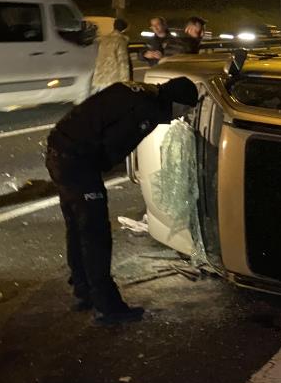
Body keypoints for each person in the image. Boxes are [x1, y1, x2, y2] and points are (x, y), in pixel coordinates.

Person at [45, 76, 199, 324]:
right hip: (78, 161)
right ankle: (107, 306)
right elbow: (114, 148)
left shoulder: (137, 90)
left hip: (59, 149)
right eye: (183, 110)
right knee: (95, 233)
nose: (180, 117)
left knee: (77, 226)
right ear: (176, 102)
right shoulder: (147, 111)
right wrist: (97, 169)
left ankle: (84, 289)